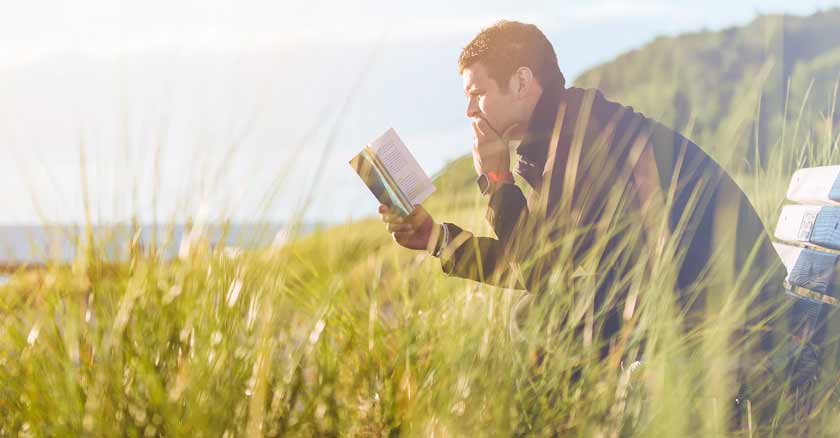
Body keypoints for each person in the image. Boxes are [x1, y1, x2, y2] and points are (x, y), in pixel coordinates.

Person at [378, 20, 796, 418]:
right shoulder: (564, 134)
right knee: (537, 311)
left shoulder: (584, 137)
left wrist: (498, 180)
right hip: (691, 297)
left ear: (522, 82)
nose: (469, 109)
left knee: (535, 316)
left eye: (478, 93)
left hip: (735, 315)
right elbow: (536, 261)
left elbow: (539, 270)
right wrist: (435, 237)